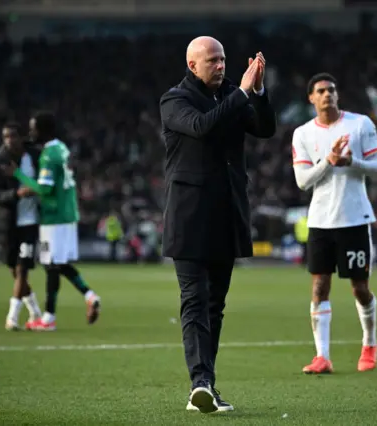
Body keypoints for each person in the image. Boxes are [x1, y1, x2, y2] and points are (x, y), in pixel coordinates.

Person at [159, 36, 276, 413]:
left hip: (227, 215)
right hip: (190, 218)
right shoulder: (174, 100)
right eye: (213, 61)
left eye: (223, 59)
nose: (221, 66)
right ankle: (201, 384)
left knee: (214, 307)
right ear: (193, 65)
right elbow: (203, 127)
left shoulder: (231, 93)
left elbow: (264, 128)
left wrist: (258, 91)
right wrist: (242, 93)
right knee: (194, 300)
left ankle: (205, 385)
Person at [291, 73, 377, 375]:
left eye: (332, 89)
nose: (327, 94)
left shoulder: (360, 125)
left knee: (359, 288)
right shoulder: (303, 134)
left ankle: (369, 342)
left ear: (337, 94)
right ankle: (322, 357)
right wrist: (329, 161)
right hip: (320, 221)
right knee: (319, 287)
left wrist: (351, 162)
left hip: (355, 218)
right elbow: (303, 181)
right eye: (321, 90)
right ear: (311, 98)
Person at [3, 112, 101, 331]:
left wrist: (19, 175)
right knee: (58, 263)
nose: (31, 132)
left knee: (51, 266)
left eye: (33, 128)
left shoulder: (49, 155)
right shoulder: (62, 148)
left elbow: (44, 188)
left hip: (54, 217)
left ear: (43, 131)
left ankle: (48, 318)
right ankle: (90, 295)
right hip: (67, 213)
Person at [0, 122, 43, 331]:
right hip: (6, 223)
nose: (10, 141)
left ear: (20, 137)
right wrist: (16, 194)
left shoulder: (35, 157)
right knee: (14, 270)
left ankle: (12, 318)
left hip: (30, 222)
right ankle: (35, 311)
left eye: (13, 136)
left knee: (22, 268)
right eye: (6, 137)